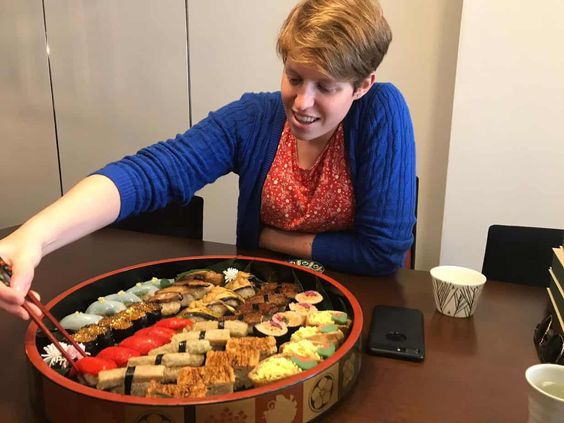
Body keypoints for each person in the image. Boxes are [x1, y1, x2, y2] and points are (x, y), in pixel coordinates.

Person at [0, 0, 415, 320]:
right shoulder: (254, 119)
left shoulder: (381, 111)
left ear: (362, 86)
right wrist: (34, 236)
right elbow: (155, 171)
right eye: (293, 77)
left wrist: (275, 239)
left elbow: (382, 253)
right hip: (261, 302)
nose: (302, 103)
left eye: (325, 86)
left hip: (356, 303)